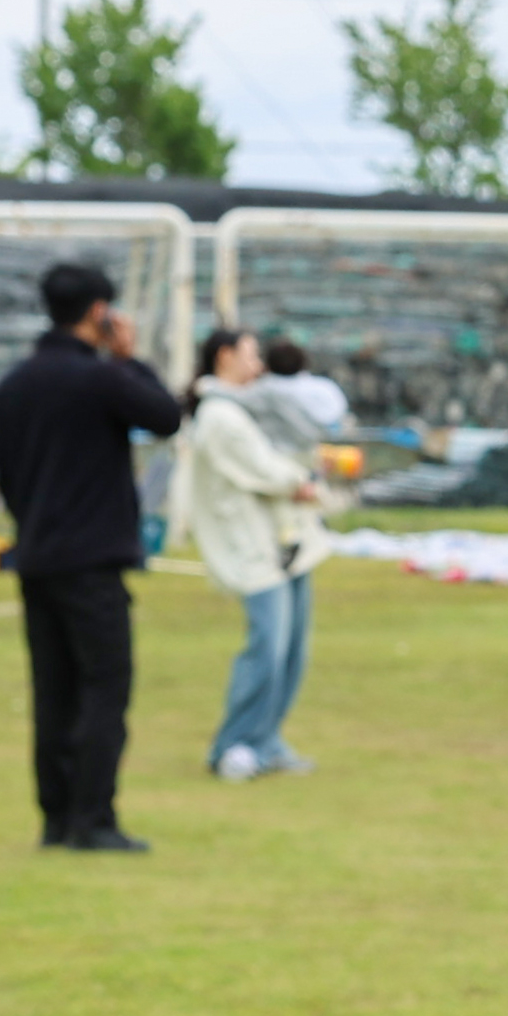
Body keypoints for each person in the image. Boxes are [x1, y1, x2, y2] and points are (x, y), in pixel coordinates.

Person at [0, 260, 183, 851]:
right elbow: (166, 417)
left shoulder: (13, 385)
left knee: (53, 691)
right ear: (101, 313)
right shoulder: (100, 378)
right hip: (92, 558)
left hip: (38, 553)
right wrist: (127, 358)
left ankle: (55, 816)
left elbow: (8, 476)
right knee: (104, 686)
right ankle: (93, 818)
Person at [176, 327, 326, 783]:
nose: (257, 366)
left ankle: (267, 739)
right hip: (252, 549)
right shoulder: (219, 415)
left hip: (285, 540)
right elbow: (262, 469)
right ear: (224, 357)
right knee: (267, 647)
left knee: (292, 651)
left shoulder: (247, 406)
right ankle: (236, 745)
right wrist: (298, 482)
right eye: (250, 356)